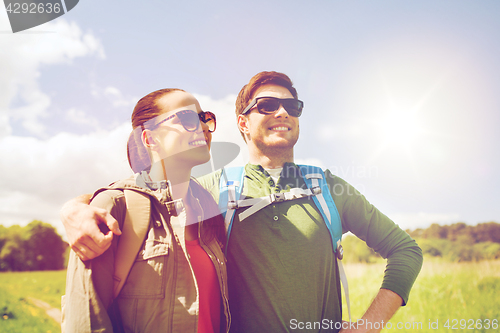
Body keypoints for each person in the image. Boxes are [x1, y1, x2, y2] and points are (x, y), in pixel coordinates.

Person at [61, 72, 423, 333]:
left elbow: (406, 250)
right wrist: (75, 207)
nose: (282, 113)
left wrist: (368, 326)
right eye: (266, 105)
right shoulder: (210, 190)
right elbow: (150, 191)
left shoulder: (327, 188)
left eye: (291, 106)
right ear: (243, 123)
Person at [61, 88, 230, 333]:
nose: (203, 127)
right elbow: (87, 322)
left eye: (205, 118)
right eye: (187, 119)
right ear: (150, 139)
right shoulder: (111, 209)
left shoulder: (211, 207)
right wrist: (75, 207)